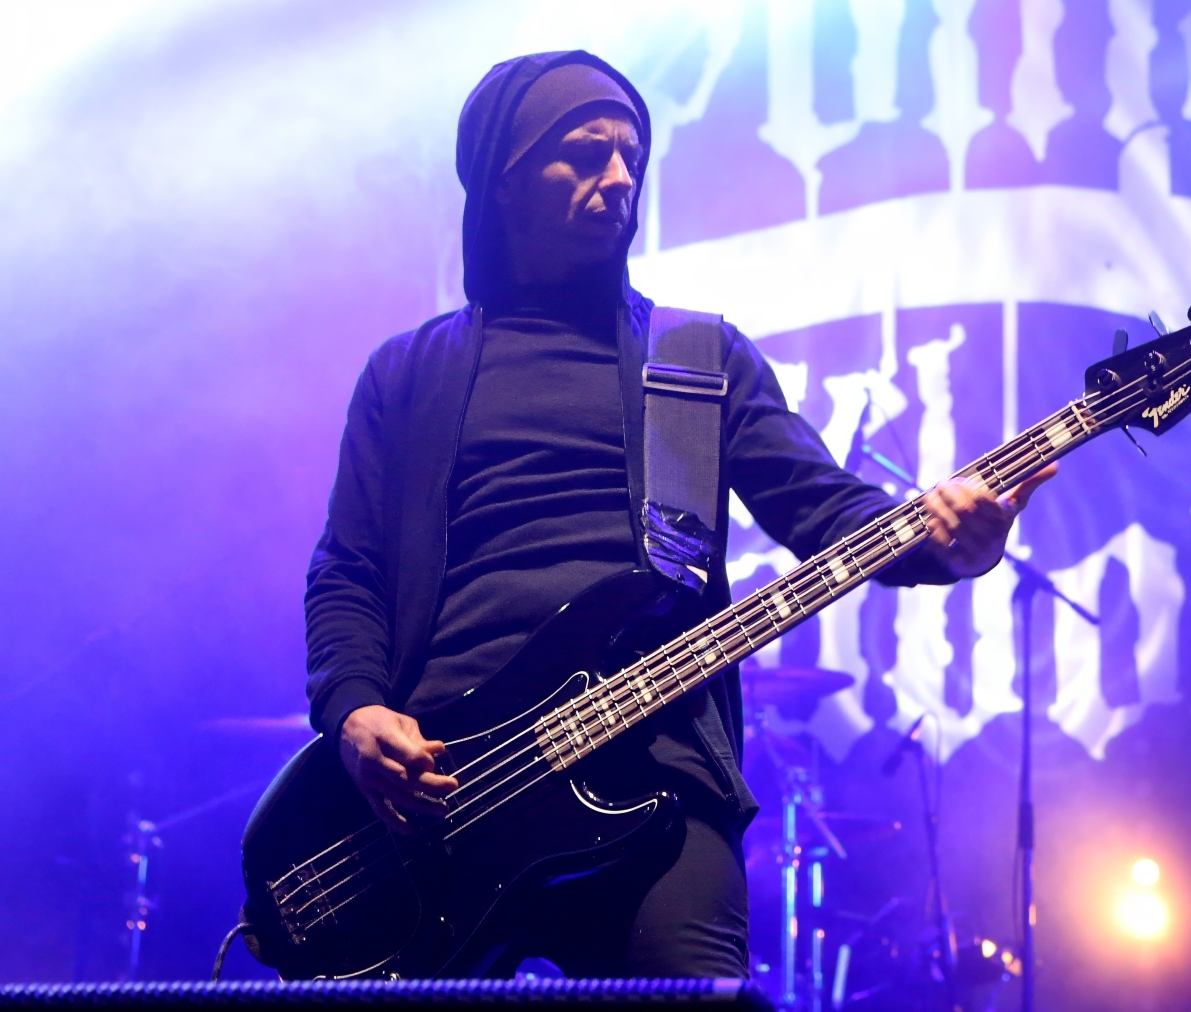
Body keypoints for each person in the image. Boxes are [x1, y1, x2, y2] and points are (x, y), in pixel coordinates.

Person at [302, 50, 1054, 980]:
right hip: (446, 785)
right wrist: (355, 710)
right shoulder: (408, 373)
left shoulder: (696, 358)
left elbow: (824, 509)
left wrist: (946, 545)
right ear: (503, 179)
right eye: (588, 153)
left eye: (632, 155)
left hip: (655, 765)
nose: (621, 178)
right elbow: (349, 571)